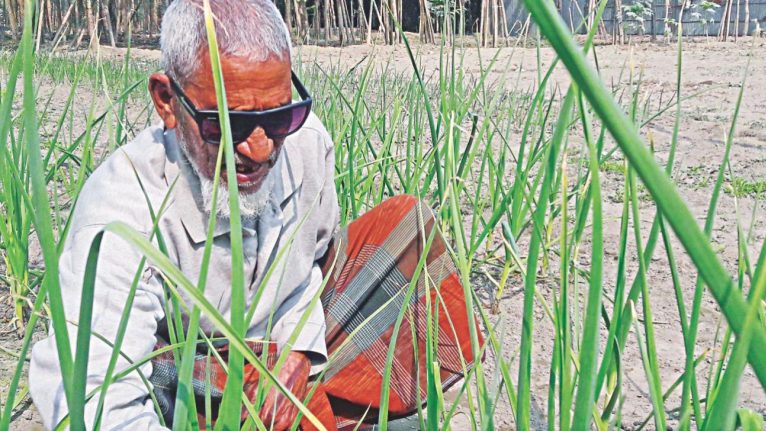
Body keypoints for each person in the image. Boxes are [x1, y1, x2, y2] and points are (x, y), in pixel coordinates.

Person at [29, 1, 481, 429]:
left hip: (281, 342)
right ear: (167, 101)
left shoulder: (305, 145)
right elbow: (92, 393)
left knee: (407, 230)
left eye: (280, 117)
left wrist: (299, 348)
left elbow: (311, 270)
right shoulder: (122, 212)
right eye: (229, 124)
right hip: (187, 378)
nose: (260, 149)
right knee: (232, 382)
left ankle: (315, 396)